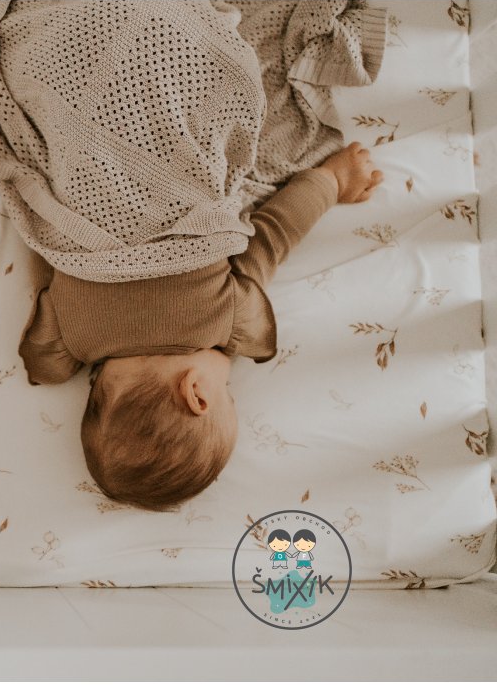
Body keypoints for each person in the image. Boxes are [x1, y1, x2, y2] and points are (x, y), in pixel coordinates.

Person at [20, 142, 383, 512]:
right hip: (90, 169)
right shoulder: (66, 342)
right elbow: (45, 246)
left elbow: (276, 232)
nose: (230, 377)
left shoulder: (228, 317)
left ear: (196, 393)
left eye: (227, 390)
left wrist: (332, 180)